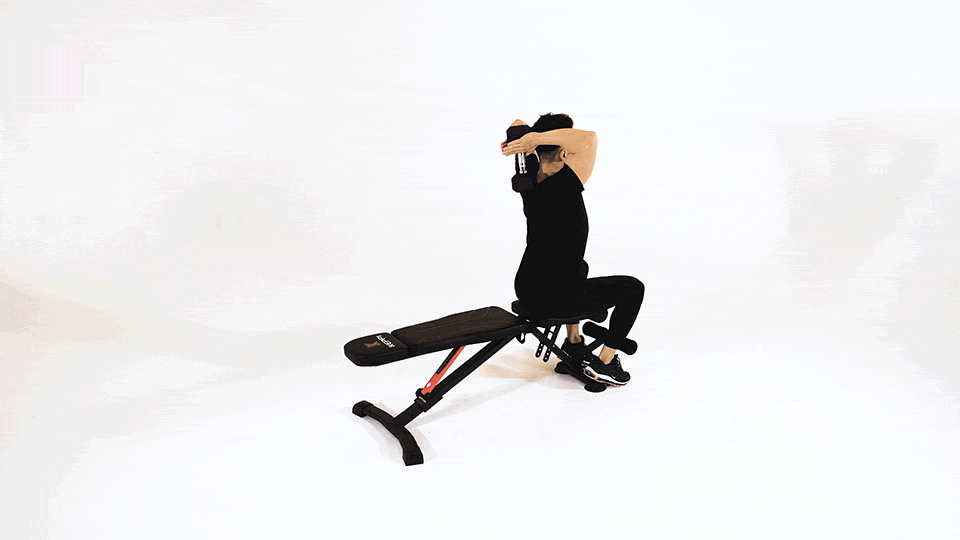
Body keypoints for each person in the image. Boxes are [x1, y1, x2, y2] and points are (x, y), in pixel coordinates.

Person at [501, 113, 645, 386]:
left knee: (579, 266)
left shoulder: (527, 177)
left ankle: (574, 342)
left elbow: (517, 123)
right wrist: (537, 138)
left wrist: (528, 141)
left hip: (527, 288)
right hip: (555, 298)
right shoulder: (568, 180)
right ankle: (605, 363)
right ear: (564, 152)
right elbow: (589, 139)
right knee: (633, 288)